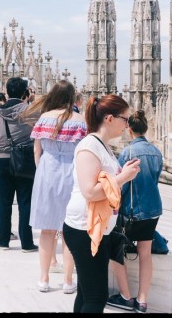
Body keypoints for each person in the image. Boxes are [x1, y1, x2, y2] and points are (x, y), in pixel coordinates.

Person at [62, 94, 140, 313]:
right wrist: (123, 177)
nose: (127, 125)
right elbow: (90, 192)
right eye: (125, 119)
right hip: (84, 228)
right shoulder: (89, 147)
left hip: (97, 227)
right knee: (97, 297)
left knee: (87, 293)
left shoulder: (102, 145)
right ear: (109, 118)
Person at [25, 80, 87, 294]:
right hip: (72, 172)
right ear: (72, 97)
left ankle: (44, 279)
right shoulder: (80, 120)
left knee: (47, 229)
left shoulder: (44, 118)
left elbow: (37, 151)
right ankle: (68, 281)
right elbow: (84, 150)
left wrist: (42, 170)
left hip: (48, 170)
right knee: (68, 229)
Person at [108, 110, 163, 314]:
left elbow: (122, 183)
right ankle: (142, 300)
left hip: (132, 210)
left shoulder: (128, 152)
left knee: (113, 248)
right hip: (153, 209)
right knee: (145, 253)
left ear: (129, 130)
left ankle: (125, 296)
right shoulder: (156, 152)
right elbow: (155, 179)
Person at [0, 76, 38, 252]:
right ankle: (27, 243)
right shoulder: (31, 111)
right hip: (25, 159)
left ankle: (3, 241)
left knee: (3, 202)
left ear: (7, 92)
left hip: (2, 160)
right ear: (25, 92)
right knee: (25, 202)